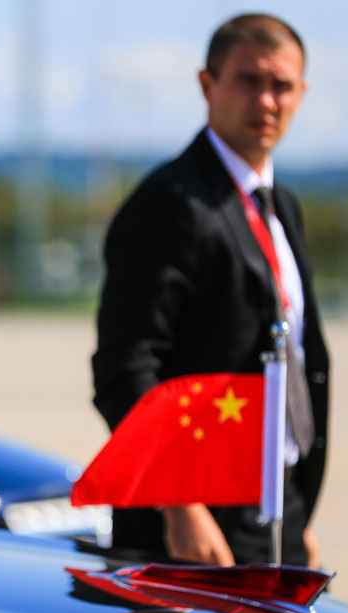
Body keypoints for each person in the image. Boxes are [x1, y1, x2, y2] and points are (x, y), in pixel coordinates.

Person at [91, 14, 329, 567]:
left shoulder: (280, 205)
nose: (265, 101)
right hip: (192, 524)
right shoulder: (172, 203)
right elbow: (124, 369)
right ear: (207, 85)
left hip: (274, 505)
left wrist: (296, 516)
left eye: (282, 86)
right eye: (248, 81)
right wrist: (178, 505)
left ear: (302, 94)